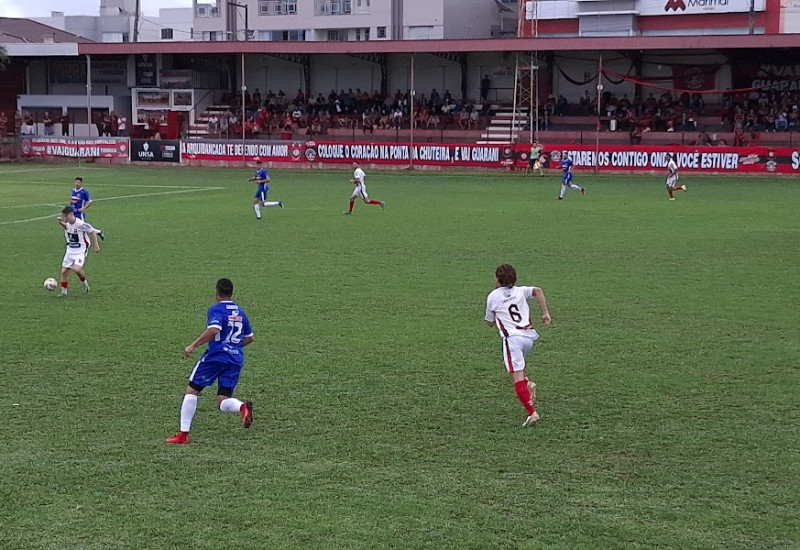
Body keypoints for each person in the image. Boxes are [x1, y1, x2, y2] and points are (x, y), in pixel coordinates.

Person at [165, 278, 255, 444]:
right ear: (232, 292)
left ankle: (183, 434)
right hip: (235, 359)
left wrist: (192, 346)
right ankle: (242, 407)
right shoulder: (240, 312)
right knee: (222, 400)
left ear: (217, 293)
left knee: (192, 391)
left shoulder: (216, 309)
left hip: (216, 357)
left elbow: (214, 329)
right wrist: (233, 346)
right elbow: (249, 338)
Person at [484, 264, 551, 427]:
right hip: (528, 337)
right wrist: (545, 313)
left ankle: (531, 412)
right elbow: (538, 291)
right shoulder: (520, 291)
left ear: (498, 279)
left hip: (512, 339)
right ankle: (528, 384)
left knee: (515, 375)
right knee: (514, 370)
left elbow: (490, 323)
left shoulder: (493, 296)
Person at [55, 206, 103, 296]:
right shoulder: (67, 223)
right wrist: (60, 223)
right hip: (70, 250)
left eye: (66, 216)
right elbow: (67, 228)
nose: (65, 218)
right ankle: (63, 292)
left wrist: (96, 246)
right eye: (64, 217)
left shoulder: (81, 224)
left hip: (80, 250)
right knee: (64, 271)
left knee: (77, 269)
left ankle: (84, 283)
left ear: (71, 214)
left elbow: (92, 231)